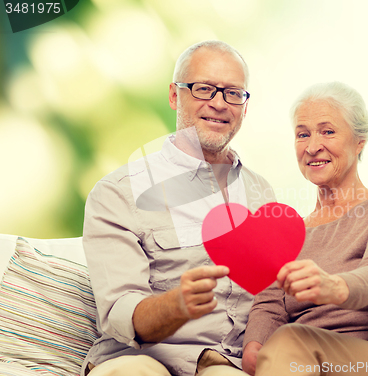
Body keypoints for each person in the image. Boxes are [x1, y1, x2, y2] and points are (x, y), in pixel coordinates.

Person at [199, 82, 368, 376]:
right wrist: (254, 346)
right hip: (307, 364)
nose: (313, 146)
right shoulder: (288, 235)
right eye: (302, 134)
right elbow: (270, 305)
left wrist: (334, 286)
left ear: (360, 141)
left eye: (327, 131)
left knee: (291, 341)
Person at [81, 40, 275, 376]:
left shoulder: (263, 194)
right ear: (174, 95)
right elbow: (119, 312)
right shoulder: (117, 193)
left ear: (245, 106)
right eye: (203, 89)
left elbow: (272, 300)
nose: (219, 103)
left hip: (223, 362)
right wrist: (176, 306)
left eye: (233, 93)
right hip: (139, 358)